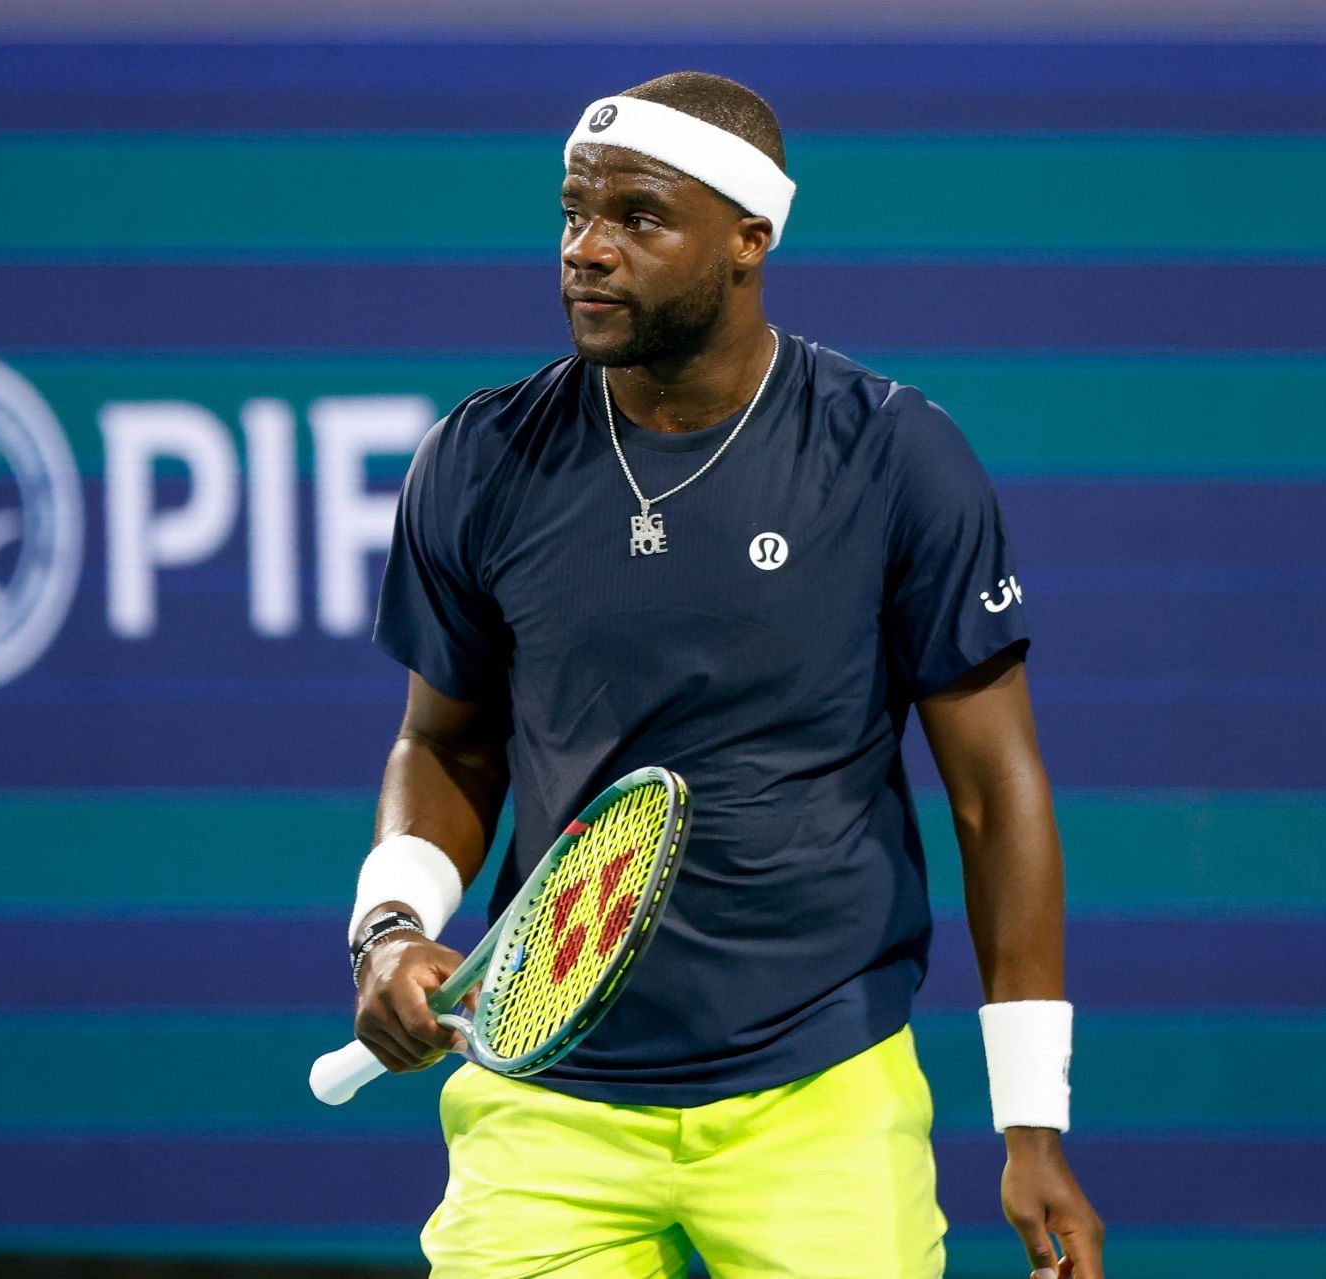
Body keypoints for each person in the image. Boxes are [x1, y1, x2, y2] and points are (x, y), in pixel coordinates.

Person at [344, 70, 1105, 1279]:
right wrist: (388, 926)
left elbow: (993, 796)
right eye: (571, 213)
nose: (586, 251)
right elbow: (447, 744)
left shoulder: (898, 457)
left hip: (819, 1093)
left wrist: (1031, 1123)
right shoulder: (478, 461)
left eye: (637, 218)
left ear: (751, 239)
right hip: (546, 1103)